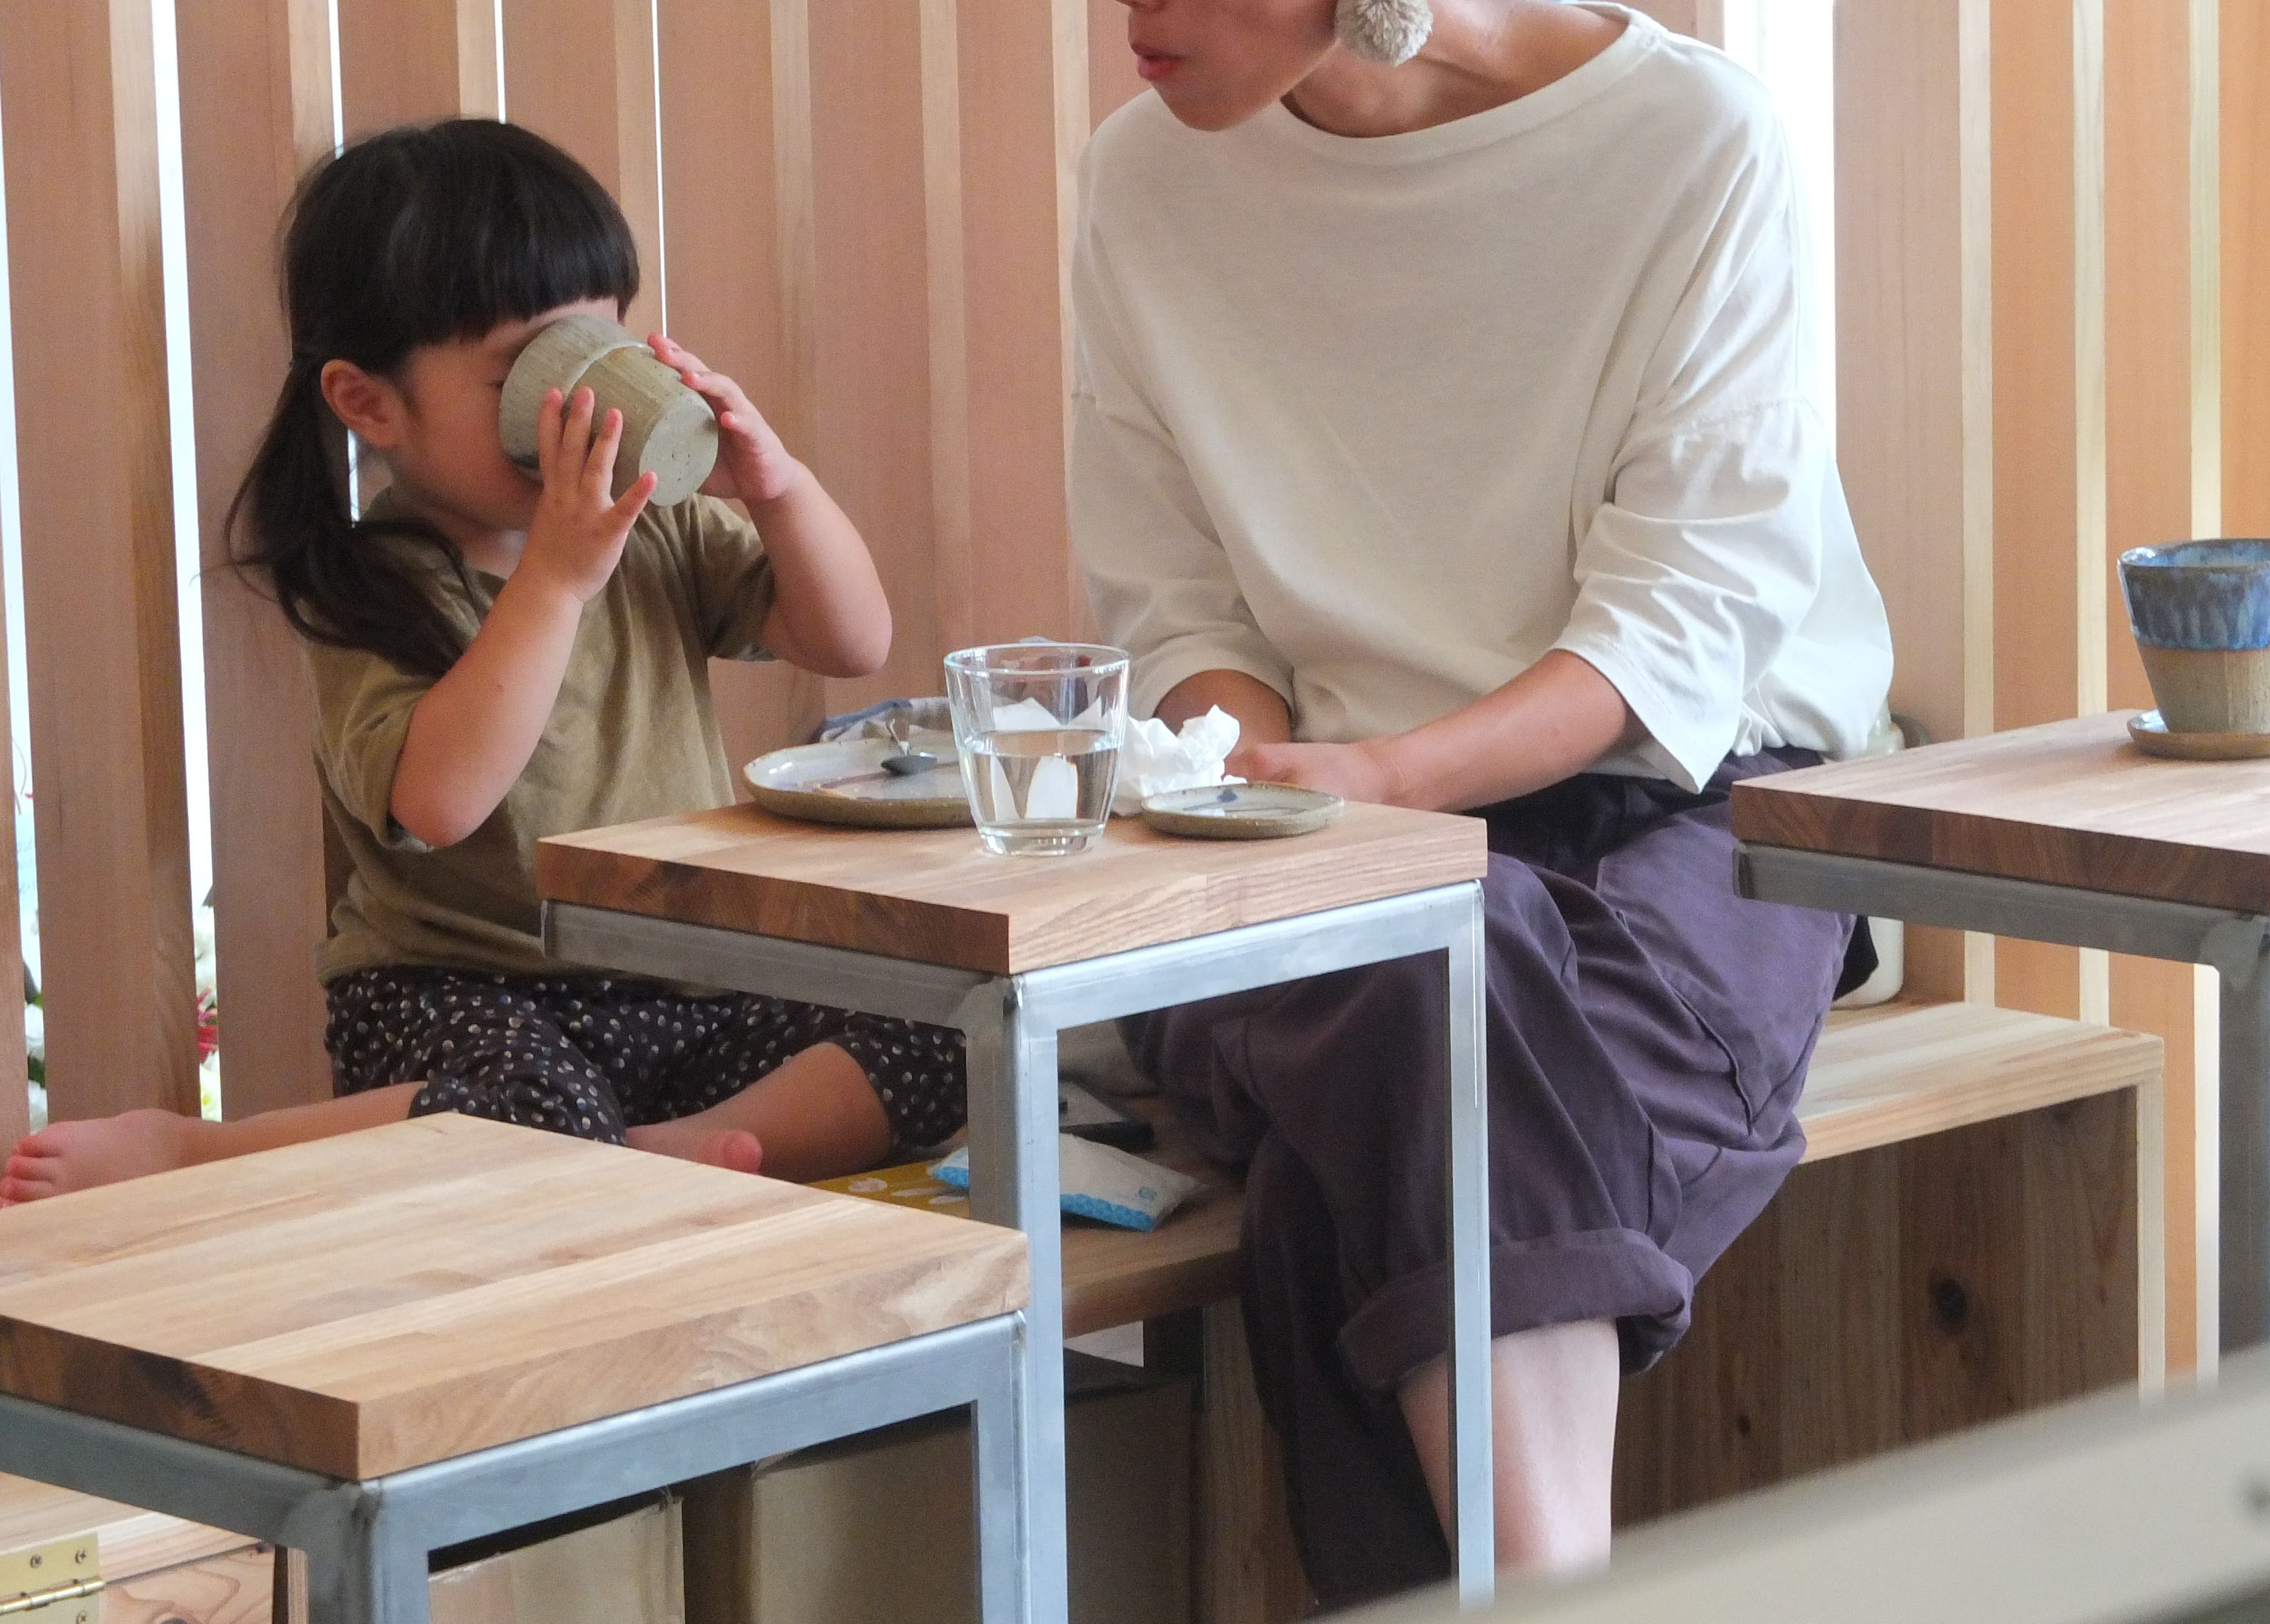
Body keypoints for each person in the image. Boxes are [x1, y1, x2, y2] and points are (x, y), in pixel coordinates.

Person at [1072, 0, 1893, 1605]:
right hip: (1324, 822)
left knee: (1358, 1156)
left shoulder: (1693, 140)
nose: (1130, 16)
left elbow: (1681, 624)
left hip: (1695, 800)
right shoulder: (1138, 181)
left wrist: (1384, 787)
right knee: (1426, 983)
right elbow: (1179, 611)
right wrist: (1277, 795)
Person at [1, 119, 963, 1203]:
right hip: (462, 997)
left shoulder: (654, 526)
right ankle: (199, 1153)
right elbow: (441, 802)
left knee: (950, 1023)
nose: (586, 404)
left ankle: (660, 1152)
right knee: (522, 1104)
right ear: (370, 403)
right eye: (529, 376)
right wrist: (554, 580)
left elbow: (850, 640)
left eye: (604, 349)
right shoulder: (377, 583)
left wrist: (778, 488)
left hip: (691, 986)